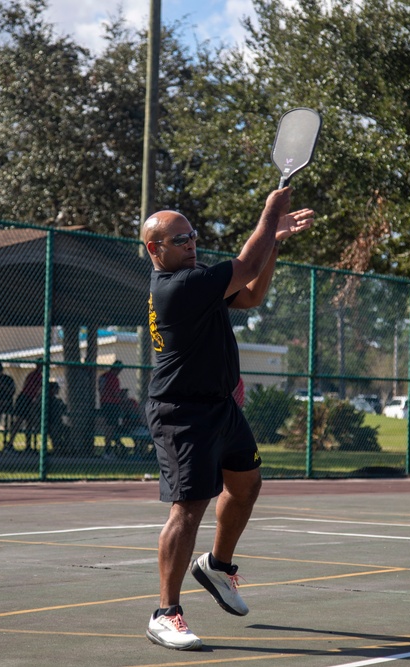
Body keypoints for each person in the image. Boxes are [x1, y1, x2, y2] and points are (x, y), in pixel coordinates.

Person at [140, 187, 313, 650]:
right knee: (189, 508)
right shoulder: (179, 288)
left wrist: (272, 241)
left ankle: (216, 566)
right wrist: (271, 210)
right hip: (182, 413)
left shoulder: (198, 282)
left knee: (246, 484)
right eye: (181, 240)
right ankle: (165, 612)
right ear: (156, 249)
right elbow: (247, 266)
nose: (192, 243)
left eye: (193, 235)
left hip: (220, 407)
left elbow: (252, 293)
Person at [9, 365, 43, 449]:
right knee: (19, 421)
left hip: (29, 399)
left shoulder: (38, 376)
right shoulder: (35, 375)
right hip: (25, 398)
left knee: (30, 422)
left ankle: (28, 444)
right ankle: (10, 443)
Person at [98, 361, 126, 458]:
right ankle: (107, 450)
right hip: (112, 404)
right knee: (111, 427)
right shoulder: (114, 379)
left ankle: (110, 448)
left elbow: (100, 390)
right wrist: (121, 398)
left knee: (110, 427)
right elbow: (115, 393)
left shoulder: (103, 376)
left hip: (104, 403)